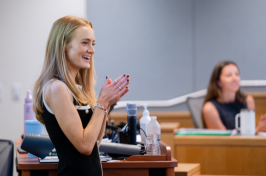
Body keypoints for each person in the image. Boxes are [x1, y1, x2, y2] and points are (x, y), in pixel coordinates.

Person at [33, 16, 130, 175]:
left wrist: (106, 104)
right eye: (85, 43)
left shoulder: (76, 88)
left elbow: (95, 143)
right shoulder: (56, 88)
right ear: (64, 45)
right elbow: (84, 146)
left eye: (93, 43)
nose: (92, 50)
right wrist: (102, 102)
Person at [202, 61, 266, 133]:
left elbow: (250, 133)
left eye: (237, 74)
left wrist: (261, 128)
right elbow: (224, 140)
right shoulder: (210, 108)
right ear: (218, 82)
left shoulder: (248, 101)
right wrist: (256, 131)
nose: (234, 78)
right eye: (229, 75)